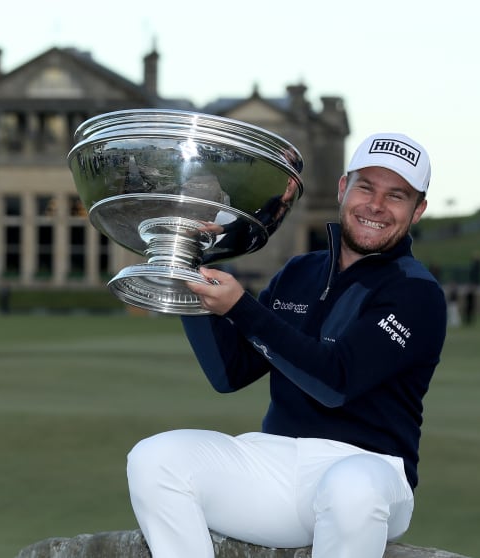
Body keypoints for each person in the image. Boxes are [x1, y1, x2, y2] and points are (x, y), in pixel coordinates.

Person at [126, 133, 448, 558]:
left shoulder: (416, 292)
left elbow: (335, 382)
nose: (375, 205)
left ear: (418, 210)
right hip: (276, 463)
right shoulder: (300, 271)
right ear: (343, 188)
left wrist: (241, 307)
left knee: (351, 488)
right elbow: (231, 373)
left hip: (374, 470)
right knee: (154, 459)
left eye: (396, 195)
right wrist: (191, 276)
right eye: (366, 187)